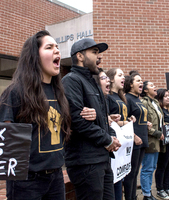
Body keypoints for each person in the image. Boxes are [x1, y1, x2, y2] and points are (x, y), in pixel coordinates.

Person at [0, 30, 73, 199]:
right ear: (34, 56)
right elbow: (0, 138)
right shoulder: (16, 92)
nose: (57, 50)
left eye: (58, 47)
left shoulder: (59, 92)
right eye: (49, 47)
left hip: (56, 177)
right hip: (27, 181)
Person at [62, 38, 121, 200]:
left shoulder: (93, 83)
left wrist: (111, 136)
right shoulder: (71, 80)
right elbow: (77, 121)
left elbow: (103, 116)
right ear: (80, 56)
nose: (98, 57)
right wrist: (107, 139)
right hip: (85, 162)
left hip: (102, 159)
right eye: (94, 52)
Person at [106, 68, 133, 200]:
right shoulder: (108, 97)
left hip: (124, 141)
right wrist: (122, 123)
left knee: (121, 176)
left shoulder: (121, 97)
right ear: (111, 79)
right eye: (120, 75)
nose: (123, 77)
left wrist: (128, 121)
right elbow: (109, 120)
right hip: (114, 140)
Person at [123, 71, 149, 200]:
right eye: (138, 80)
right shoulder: (127, 98)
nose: (141, 83)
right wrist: (134, 136)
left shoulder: (138, 99)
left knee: (135, 173)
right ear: (130, 84)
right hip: (134, 141)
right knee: (130, 174)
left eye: (142, 81)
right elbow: (125, 121)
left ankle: (133, 196)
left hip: (142, 139)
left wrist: (146, 123)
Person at [139, 81, 164, 200]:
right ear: (145, 90)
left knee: (152, 167)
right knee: (147, 168)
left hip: (157, 140)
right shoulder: (144, 102)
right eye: (151, 85)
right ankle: (146, 194)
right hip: (150, 140)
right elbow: (145, 124)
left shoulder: (155, 102)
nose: (155, 87)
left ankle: (149, 192)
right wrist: (158, 133)